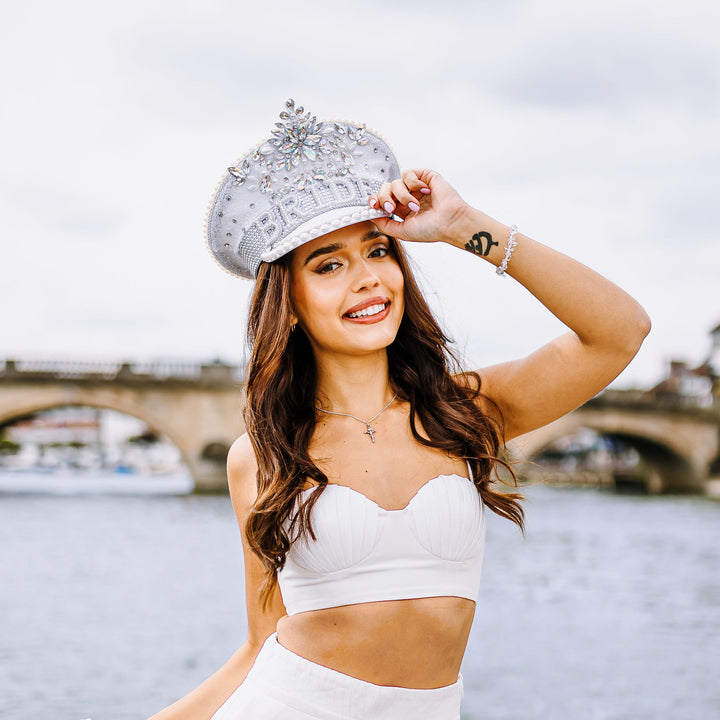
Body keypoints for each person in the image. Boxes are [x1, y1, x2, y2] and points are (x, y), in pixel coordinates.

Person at [148, 99, 650, 720]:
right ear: (291, 301)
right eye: (329, 264)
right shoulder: (261, 455)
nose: (366, 278)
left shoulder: (464, 412)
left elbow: (619, 331)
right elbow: (260, 646)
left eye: (378, 251)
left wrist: (465, 225)